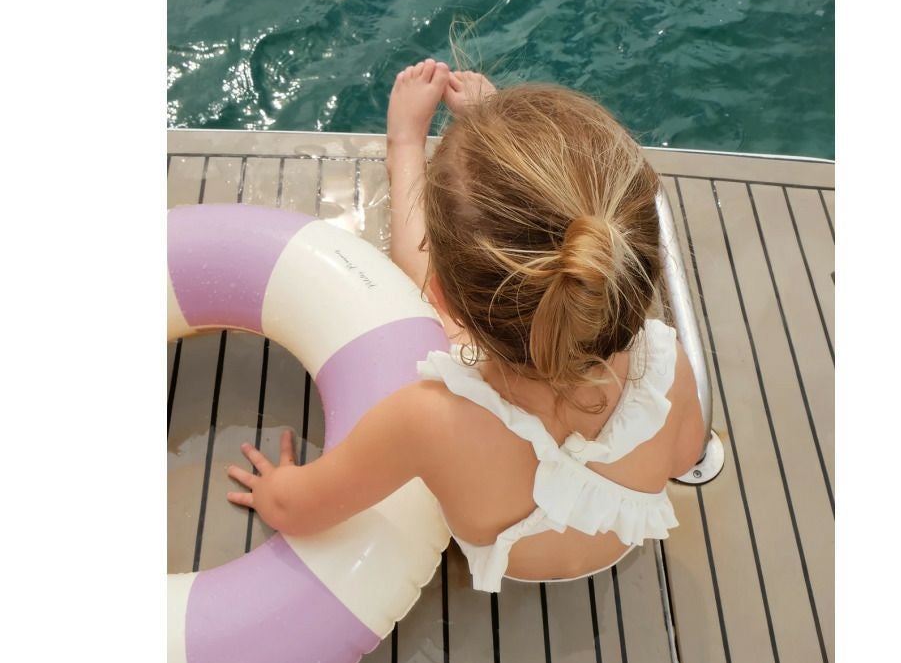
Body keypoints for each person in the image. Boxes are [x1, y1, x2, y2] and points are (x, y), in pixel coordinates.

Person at [227, 58, 704, 591]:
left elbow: (296, 508)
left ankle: (404, 146)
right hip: (614, 548)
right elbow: (685, 455)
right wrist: (497, 130)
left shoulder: (428, 419)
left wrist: (274, 490)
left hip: (510, 562)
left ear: (439, 296)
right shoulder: (669, 367)